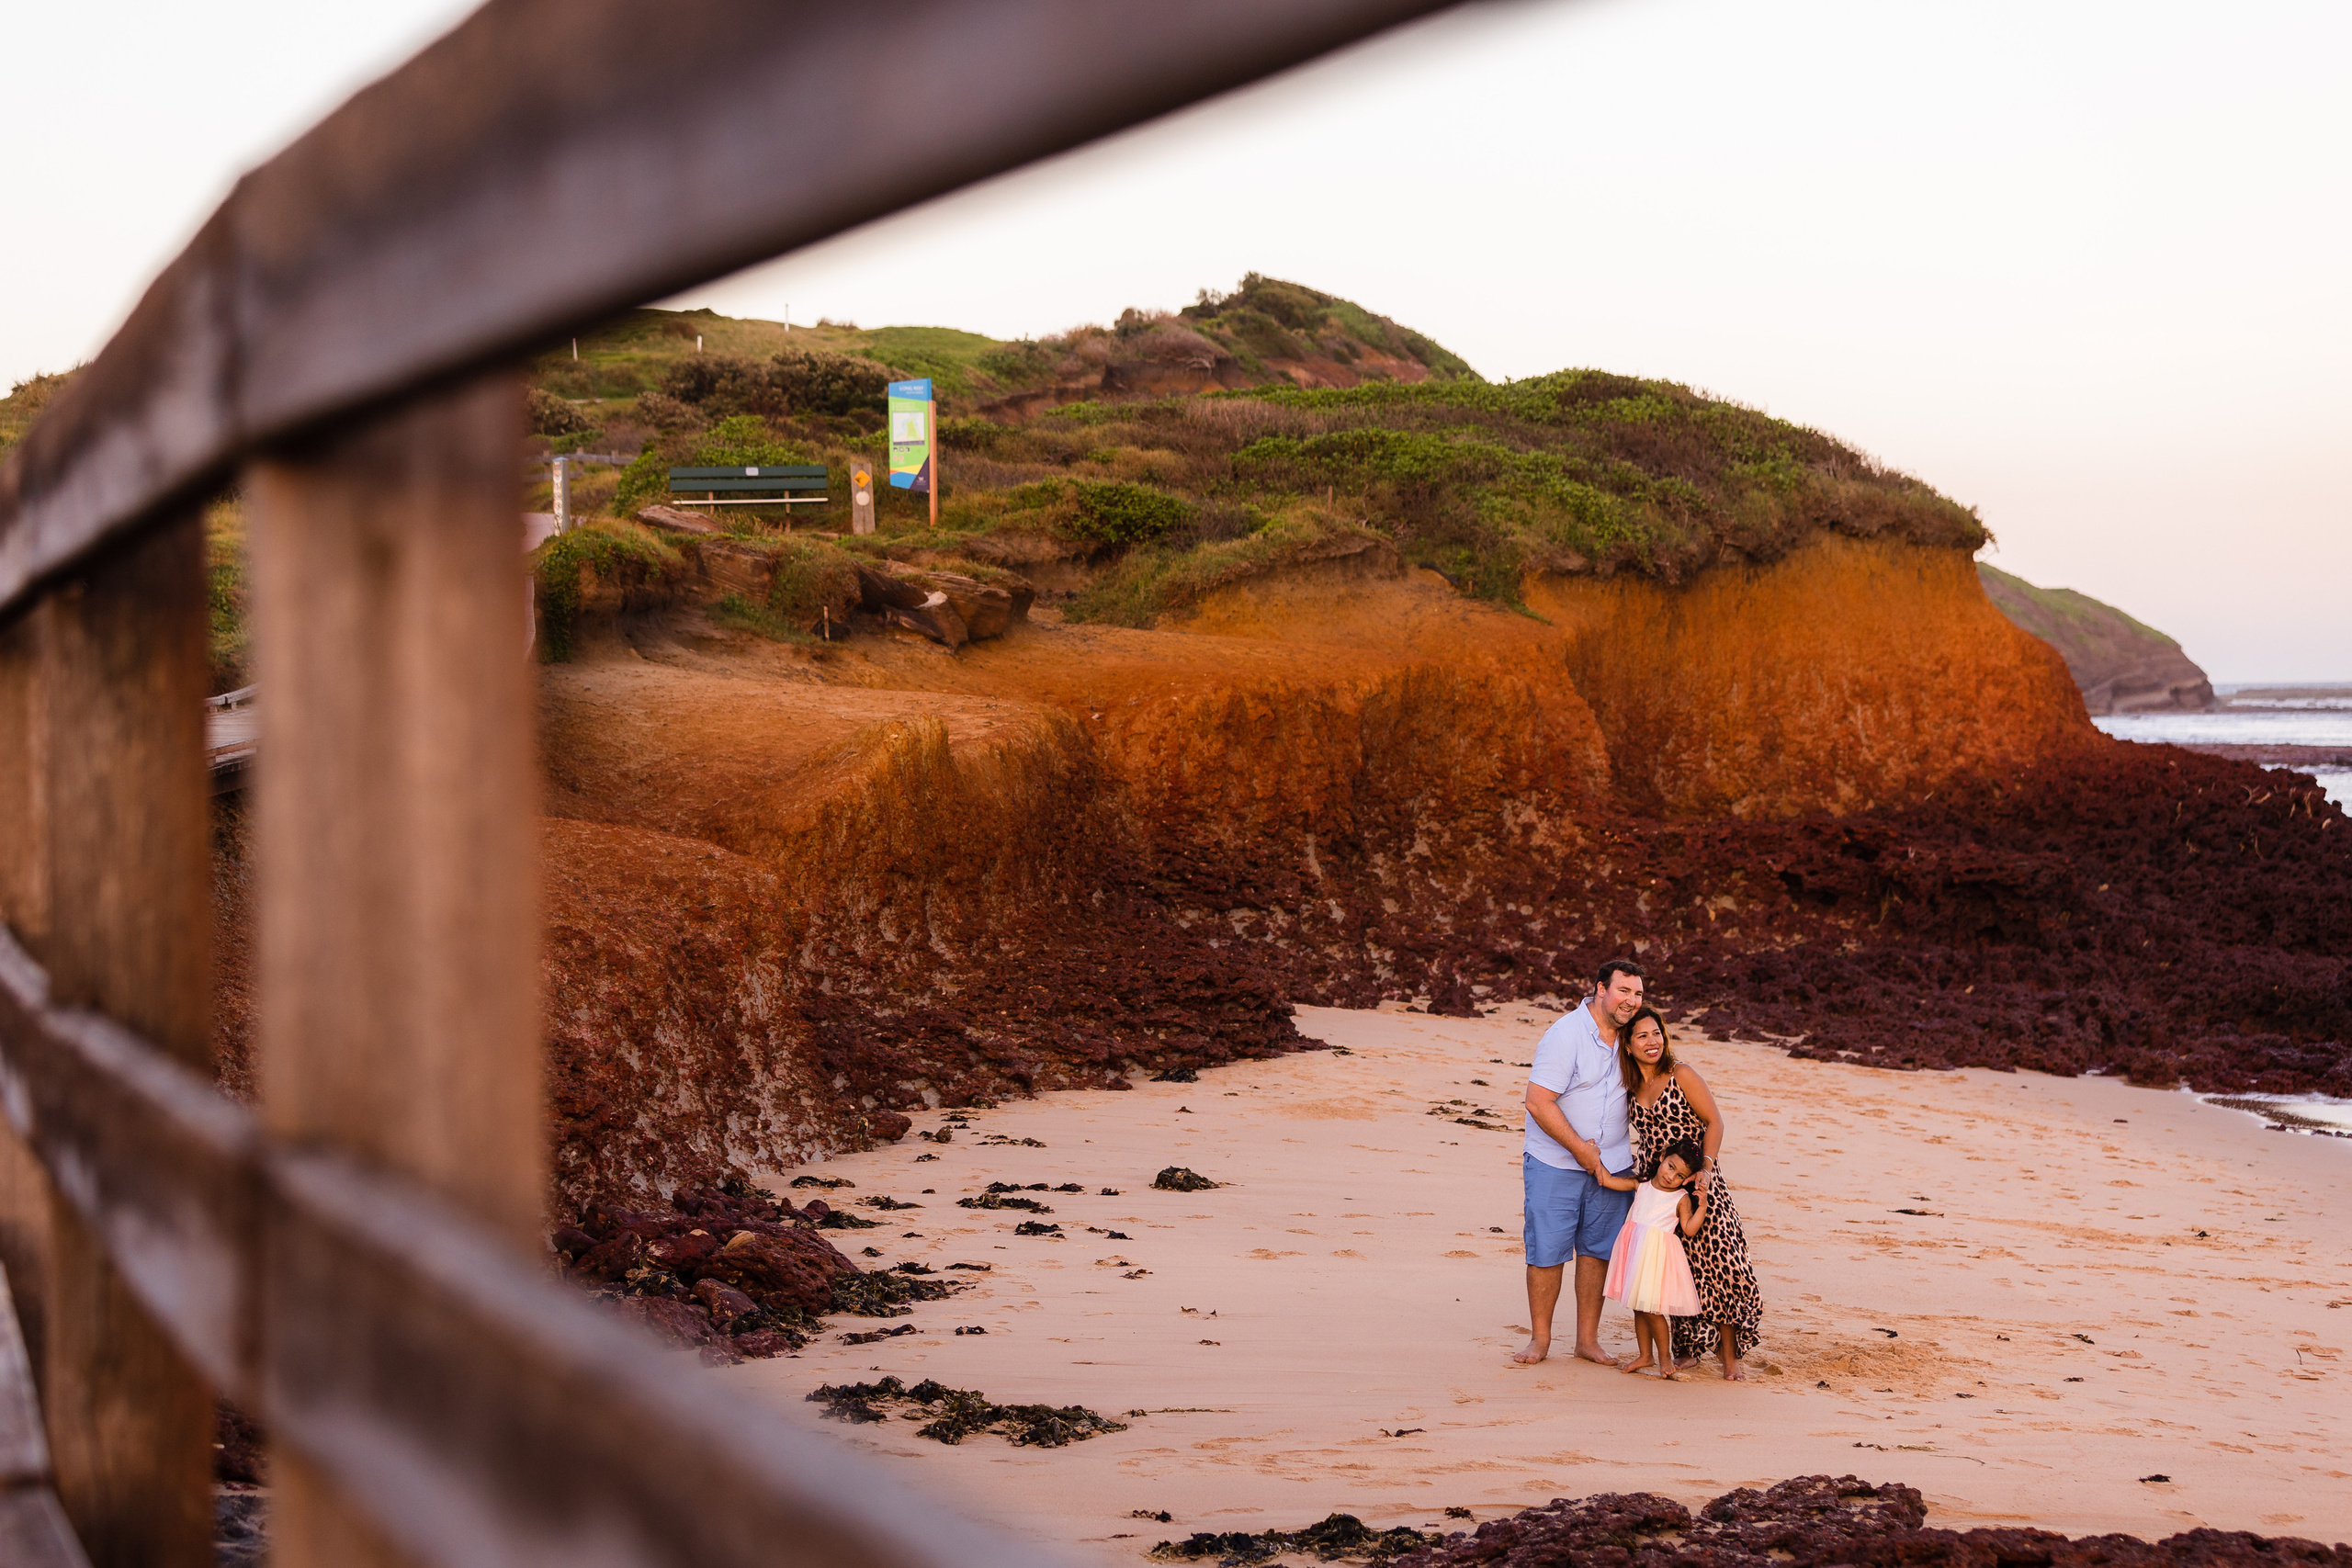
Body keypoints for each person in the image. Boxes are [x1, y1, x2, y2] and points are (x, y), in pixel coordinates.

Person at [1618, 1006, 1764, 1380]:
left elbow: (1715, 1121)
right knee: (1672, 1273)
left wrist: (1707, 1169)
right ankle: (1686, 1349)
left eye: (1656, 1034)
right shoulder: (1631, 1085)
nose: (1652, 1042)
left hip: (1698, 1185)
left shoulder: (1680, 1073)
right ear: (1628, 1044)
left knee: (1718, 1267)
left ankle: (1729, 1356)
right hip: (1657, 1189)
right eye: (1642, 1036)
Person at [1513, 958, 1645, 1366]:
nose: (1631, 1001)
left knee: (1596, 1252)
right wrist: (1581, 1150)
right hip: (1555, 1162)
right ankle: (1540, 1340)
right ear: (1601, 989)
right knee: (1547, 1250)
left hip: (1615, 1165)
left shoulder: (1630, 1039)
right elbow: (1538, 1102)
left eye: (1638, 994)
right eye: (1624, 991)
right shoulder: (1565, 1035)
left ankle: (1587, 1341)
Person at [1599, 1139, 1708, 1380]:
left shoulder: (1680, 1198)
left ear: (1686, 1180)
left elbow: (1689, 1228)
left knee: (1653, 1311)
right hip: (1634, 1252)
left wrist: (1702, 1207)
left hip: (1655, 1258)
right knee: (1639, 1306)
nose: (1672, 1176)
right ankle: (1645, 1355)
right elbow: (1608, 1180)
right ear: (1662, 1158)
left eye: (1680, 1175)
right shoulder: (1642, 1186)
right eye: (1671, 1166)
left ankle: (1665, 1357)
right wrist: (1593, 1158)